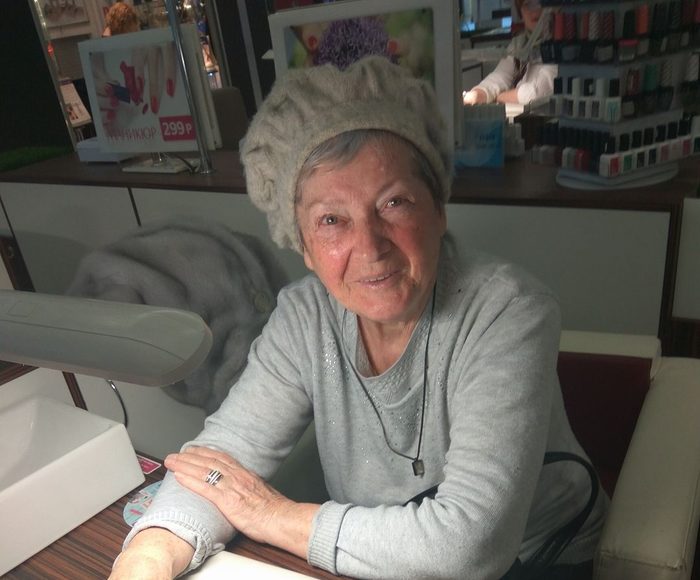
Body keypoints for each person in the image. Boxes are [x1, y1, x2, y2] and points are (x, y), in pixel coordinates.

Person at [109, 56, 607, 580]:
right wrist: (147, 557)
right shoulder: (306, 317)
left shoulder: (508, 312)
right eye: (331, 219)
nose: (369, 248)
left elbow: (471, 547)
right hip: (382, 554)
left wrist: (271, 515)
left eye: (394, 203)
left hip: (538, 554)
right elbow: (221, 458)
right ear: (302, 245)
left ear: (439, 209)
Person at [463, 0, 556, 106]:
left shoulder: (561, 46)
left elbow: (535, 93)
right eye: (527, 4)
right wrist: (478, 94)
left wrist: (497, 97)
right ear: (520, 12)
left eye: (539, 3)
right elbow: (501, 75)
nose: (534, 11)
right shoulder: (520, 44)